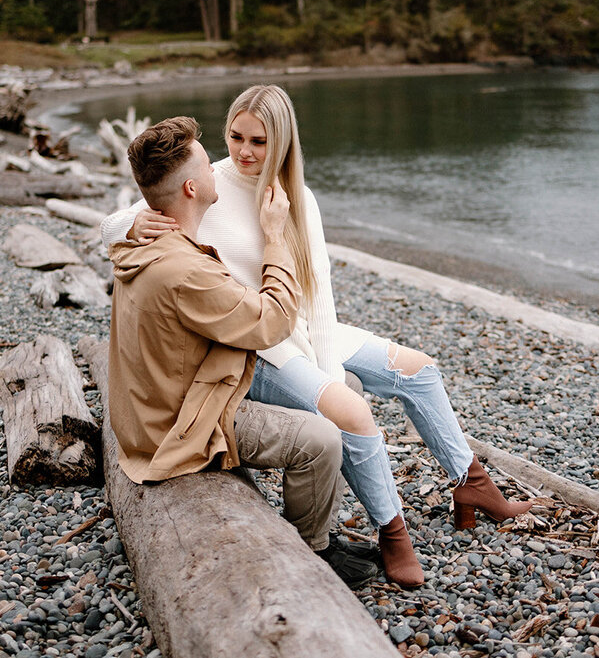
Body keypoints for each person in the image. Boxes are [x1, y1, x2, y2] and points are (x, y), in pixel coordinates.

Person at [102, 86, 530, 588]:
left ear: (281, 142)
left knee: (418, 370)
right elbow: (117, 224)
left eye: (258, 141)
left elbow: (318, 292)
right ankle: (393, 533)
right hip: (253, 337)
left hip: (297, 325)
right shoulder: (205, 181)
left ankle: (471, 484)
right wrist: (132, 227)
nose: (243, 151)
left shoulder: (296, 197)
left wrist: (325, 369)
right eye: (236, 136)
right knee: (350, 408)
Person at [106, 115, 378, 587]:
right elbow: (273, 320)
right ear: (192, 188)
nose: (221, 168)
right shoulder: (183, 269)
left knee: (341, 388)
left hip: (157, 402)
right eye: (208, 166)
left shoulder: (144, 243)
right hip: (180, 423)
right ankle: (315, 548)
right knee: (321, 438)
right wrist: (275, 236)